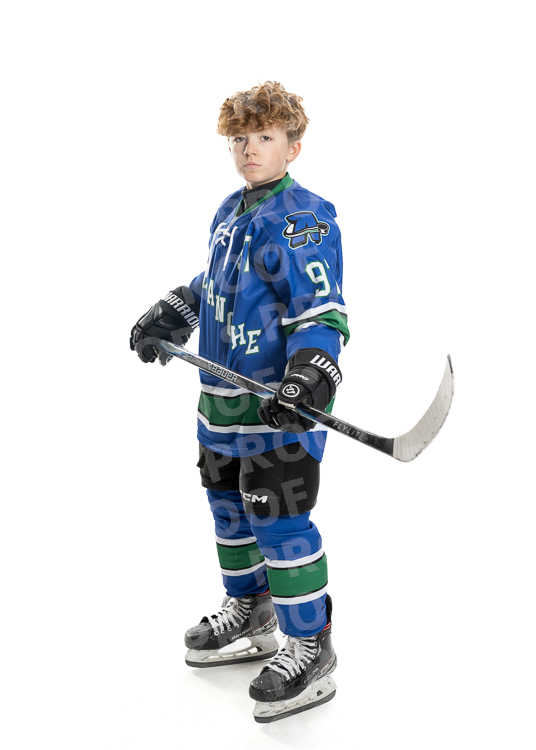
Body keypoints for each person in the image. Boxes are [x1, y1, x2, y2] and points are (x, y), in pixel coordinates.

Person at [130, 81, 350, 723]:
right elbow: (220, 283)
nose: (249, 149)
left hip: (276, 408)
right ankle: (252, 612)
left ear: (293, 146)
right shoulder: (231, 210)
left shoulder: (304, 219)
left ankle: (310, 643)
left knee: (279, 521)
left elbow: (322, 310)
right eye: (240, 138)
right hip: (220, 403)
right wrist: (177, 308)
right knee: (228, 512)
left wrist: (312, 373)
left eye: (265, 137)